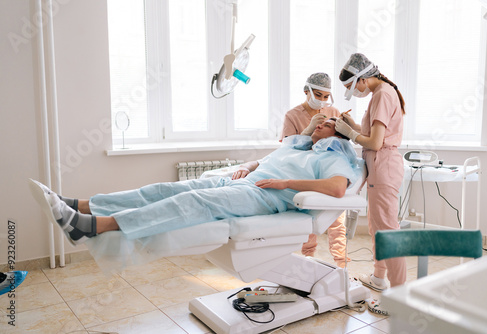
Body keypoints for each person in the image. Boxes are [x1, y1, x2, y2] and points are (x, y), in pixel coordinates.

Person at [30, 119, 362, 249]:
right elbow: (263, 161)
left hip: (267, 197)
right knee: (168, 189)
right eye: (321, 119)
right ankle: (82, 205)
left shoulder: (334, 157)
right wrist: (247, 166)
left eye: (331, 122)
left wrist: (285, 182)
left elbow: (335, 188)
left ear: (340, 134)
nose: (322, 122)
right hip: (251, 181)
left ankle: (94, 226)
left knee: (194, 204)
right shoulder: (296, 145)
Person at [334, 53, 406, 316]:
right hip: (378, 166)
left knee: (388, 231)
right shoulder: (380, 94)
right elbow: (372, 136)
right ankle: (378, 278)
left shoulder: (384, 94)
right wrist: (351, 126)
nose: (353, 92)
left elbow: (375, 143)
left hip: (384, 165)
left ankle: (400, 297)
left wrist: (349, 134)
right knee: (378, 226)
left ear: (362, 79)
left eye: (352, 87)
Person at [279, 73, 349, 268]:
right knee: (308, 220)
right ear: (306, 91)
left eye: (326, 96)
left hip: (329, 170)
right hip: (306, 171)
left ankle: (341, 265)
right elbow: (287, 148)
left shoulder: (333, 111)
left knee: (336, 222)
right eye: (318, 95)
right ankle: (307, 262)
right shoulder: (292, 115)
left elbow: (342, 141)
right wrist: (309, 129)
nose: (323, 101)